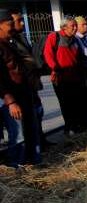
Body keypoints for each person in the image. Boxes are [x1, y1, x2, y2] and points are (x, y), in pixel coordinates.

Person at [0, 10, 40, 167]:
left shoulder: (10, 44)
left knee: (31, 130)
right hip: (12, 98)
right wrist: (10, 101)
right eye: (9, 24)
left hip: (24, 94)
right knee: (18, 135)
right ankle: (18, 167)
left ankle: (33, 163)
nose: (13, 27)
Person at [10, 9, 52, 150]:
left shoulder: (21, 37)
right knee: (27, 119)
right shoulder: (10, 42)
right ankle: (31, 147)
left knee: (38, 112)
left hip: (32, 82)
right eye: (18, 21)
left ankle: (41, 140)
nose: (22, 23)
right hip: (21, 86)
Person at [44, 16, 87, 135]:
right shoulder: (54, 36)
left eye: (75, 25)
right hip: (61, 78)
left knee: (77, 103)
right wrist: (54, 68)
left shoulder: (74, 39)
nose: (75, 28)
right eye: (72, 26)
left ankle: (78, 126)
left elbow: (78, 58)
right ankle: (69, 128)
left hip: (75, 78)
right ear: (64, 27)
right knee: (66, 104)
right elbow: (48, 54)